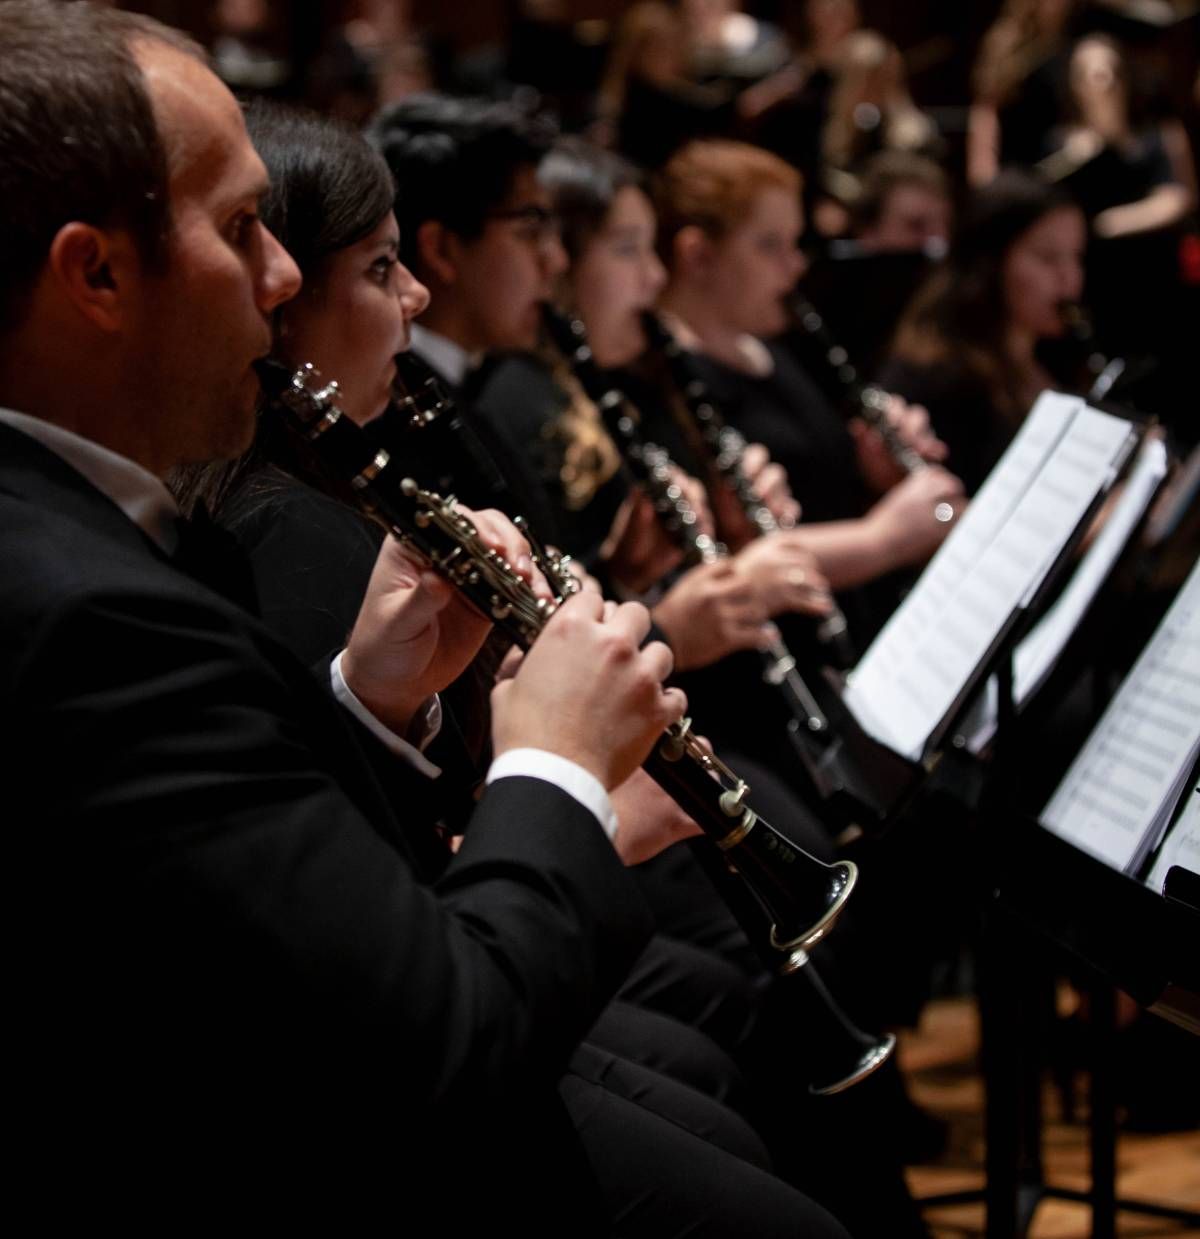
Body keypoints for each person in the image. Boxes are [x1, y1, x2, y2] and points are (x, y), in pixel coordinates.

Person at [0, 6, 852, 1235]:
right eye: (243, 229)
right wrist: (553, 762)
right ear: (96, 273)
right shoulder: (89, 622)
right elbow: (442, 1039)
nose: (283, 275)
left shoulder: (86, 536)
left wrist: (370, 700)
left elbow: (254, 883)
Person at [654, 139, 963, 614]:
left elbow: (817, 484)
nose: (795, 265)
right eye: (769, 245)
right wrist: (883, 538)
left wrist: (873, 470)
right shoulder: (668, 382)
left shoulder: (768, 346)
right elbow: (730, 558)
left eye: (794, 243)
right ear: (697, 255)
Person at [878, 169, 1088, 495]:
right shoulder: (938, 378)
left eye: (1075, 257)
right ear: (990, 264)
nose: (1070, 277)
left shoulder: (1059, 355)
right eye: (1048, 258)